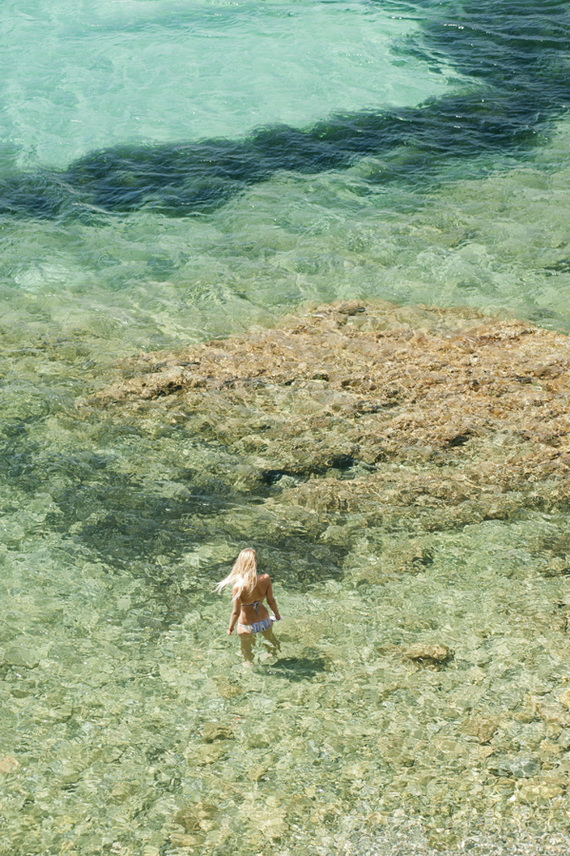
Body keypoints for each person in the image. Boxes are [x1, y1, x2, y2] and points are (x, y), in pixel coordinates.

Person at [216, 548, 281, 663]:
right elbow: (271, 601)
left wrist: (230, 628)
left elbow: (236, 612)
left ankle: (249, 669)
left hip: (247, 626)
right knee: (271, 641)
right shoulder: (265, 578)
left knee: (246, 652)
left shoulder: (238, 587)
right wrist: (277, 615)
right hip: (265, 621)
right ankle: (272, 657)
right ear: (255, 562)